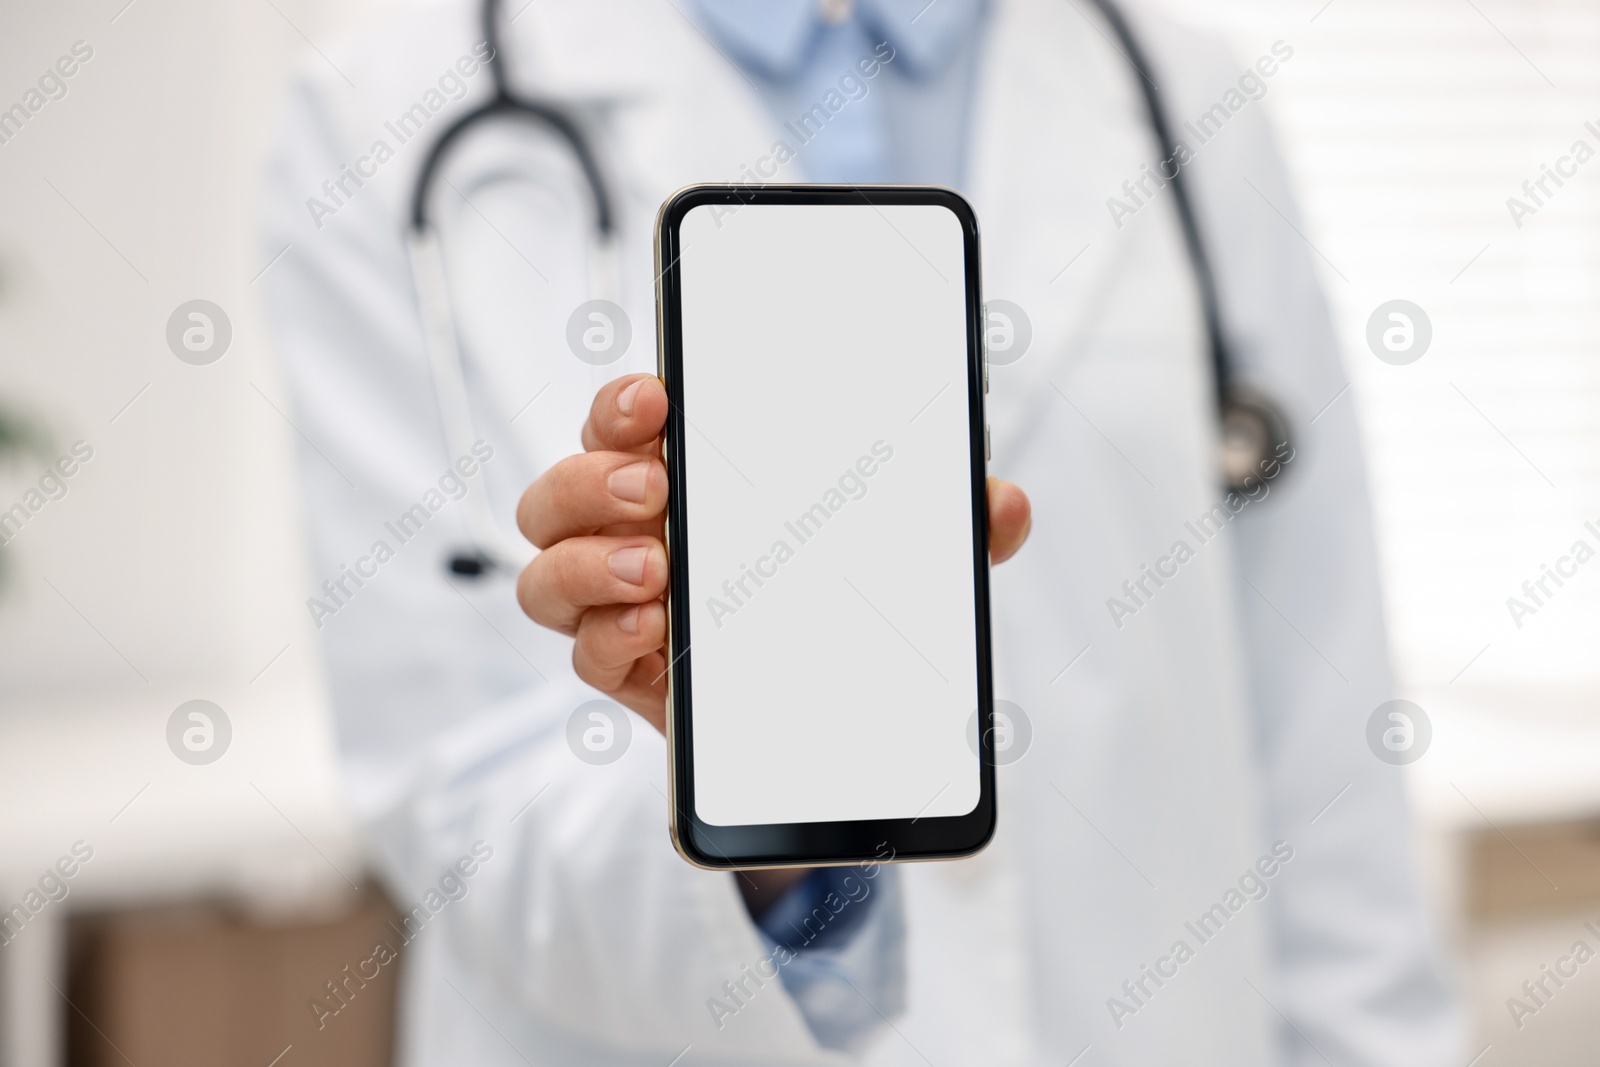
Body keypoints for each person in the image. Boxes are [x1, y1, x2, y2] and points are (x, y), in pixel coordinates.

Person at [261, 0, 1463, 1063]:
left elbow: (1326, 756)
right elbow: (461, 815)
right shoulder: (382, 121)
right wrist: (755, 784)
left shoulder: (1189, 98)